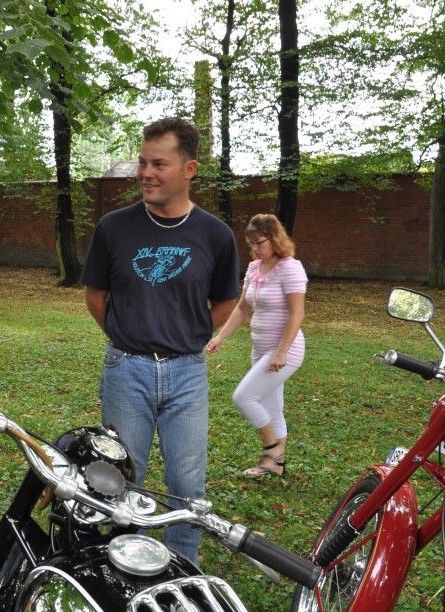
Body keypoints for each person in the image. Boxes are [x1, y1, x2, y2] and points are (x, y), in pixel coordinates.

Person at [81, 117, 239, 565]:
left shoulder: (215, 235)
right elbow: (96, 296)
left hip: (187, 373)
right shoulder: (114, 228)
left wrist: (185, 335)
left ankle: (182, 568)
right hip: (126, 369)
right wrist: (125, 334)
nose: (146, 173)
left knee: (187, 483)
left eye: (159, 164)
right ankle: (124, 564)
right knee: (123, 479)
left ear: (189, 169)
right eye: (143, 162)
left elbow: (226, 301)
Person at [205, 213, 307, 477]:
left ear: (274, 239)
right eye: (250, 244)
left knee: (244, 396)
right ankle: (277, 466)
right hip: (260, 349)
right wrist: (219, 337)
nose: (254, 249)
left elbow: (297, 314)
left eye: (258, 243)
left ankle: (272, 450)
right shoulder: (254, 268)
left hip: (285, 350)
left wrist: (282, 351)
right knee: (272, 406)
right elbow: (242, 308)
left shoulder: (290, 268)